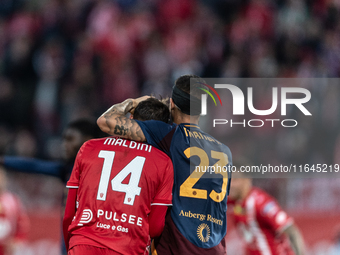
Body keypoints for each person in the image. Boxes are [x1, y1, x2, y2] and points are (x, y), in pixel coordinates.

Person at [97, 74, 232, 254]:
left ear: (172, 103)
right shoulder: (224, 151)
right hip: (215, 248)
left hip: (177, 247)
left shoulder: (167, 134)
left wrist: (132, 102)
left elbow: (105, 122)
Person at [63, 98, 174, 255]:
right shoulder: (163, 163)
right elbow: (155, 227)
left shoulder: (89, 148)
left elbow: (69, 214)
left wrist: (72, 246)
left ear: (131, 119)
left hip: (83, 244)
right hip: (128, 247)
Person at [0, 118, 106, 255]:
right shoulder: (68, 170)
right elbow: (34, 166)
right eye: (64, 139)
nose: (64, 145)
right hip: (68, 243)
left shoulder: (101, 175)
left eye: (70, 139)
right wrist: (3, 160)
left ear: (87, 140)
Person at [228, 161, 305, 255]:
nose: (230, 184)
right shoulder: (233, 201)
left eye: (235, 180)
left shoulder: (261, 203)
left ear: (247, 179)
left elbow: (292, 231)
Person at [0, 166, 29, 255]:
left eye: (2, 177)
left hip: (6, 249)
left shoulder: (12, 200)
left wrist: (18, 240)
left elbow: (22, 224)